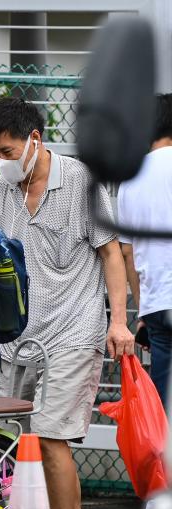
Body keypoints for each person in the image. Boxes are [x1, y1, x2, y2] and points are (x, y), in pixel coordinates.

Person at [0, 96, 135, 509]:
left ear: (34, 141)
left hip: (74, 328)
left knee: (51, 438)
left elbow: (110, 254)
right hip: (17, 337)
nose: (0, 161)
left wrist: (118, 321)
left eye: (6, 150)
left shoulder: (81, 183)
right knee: (10, 439)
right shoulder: (0, 193)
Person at [118, 93, 172, 412]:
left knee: (164, 410)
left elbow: (128, 253)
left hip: (157, 307)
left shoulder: (129, 178)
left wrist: (143, 310)